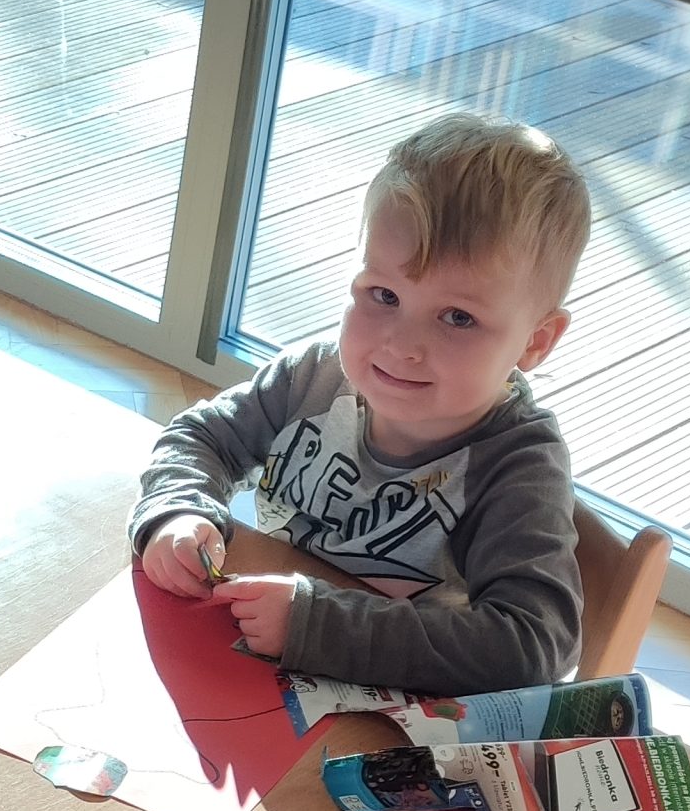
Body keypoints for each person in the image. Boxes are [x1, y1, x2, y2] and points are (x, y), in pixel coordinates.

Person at [132, 114, 591, 696]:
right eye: (384, 294)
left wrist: (320, 624)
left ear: (535, 341)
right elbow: (202, 437)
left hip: (396, 716)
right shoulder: (315, 376)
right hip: (261, 667)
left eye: (458, 317)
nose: (401, 346)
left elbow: (532, 645)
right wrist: (177, 511)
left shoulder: (517, 467)